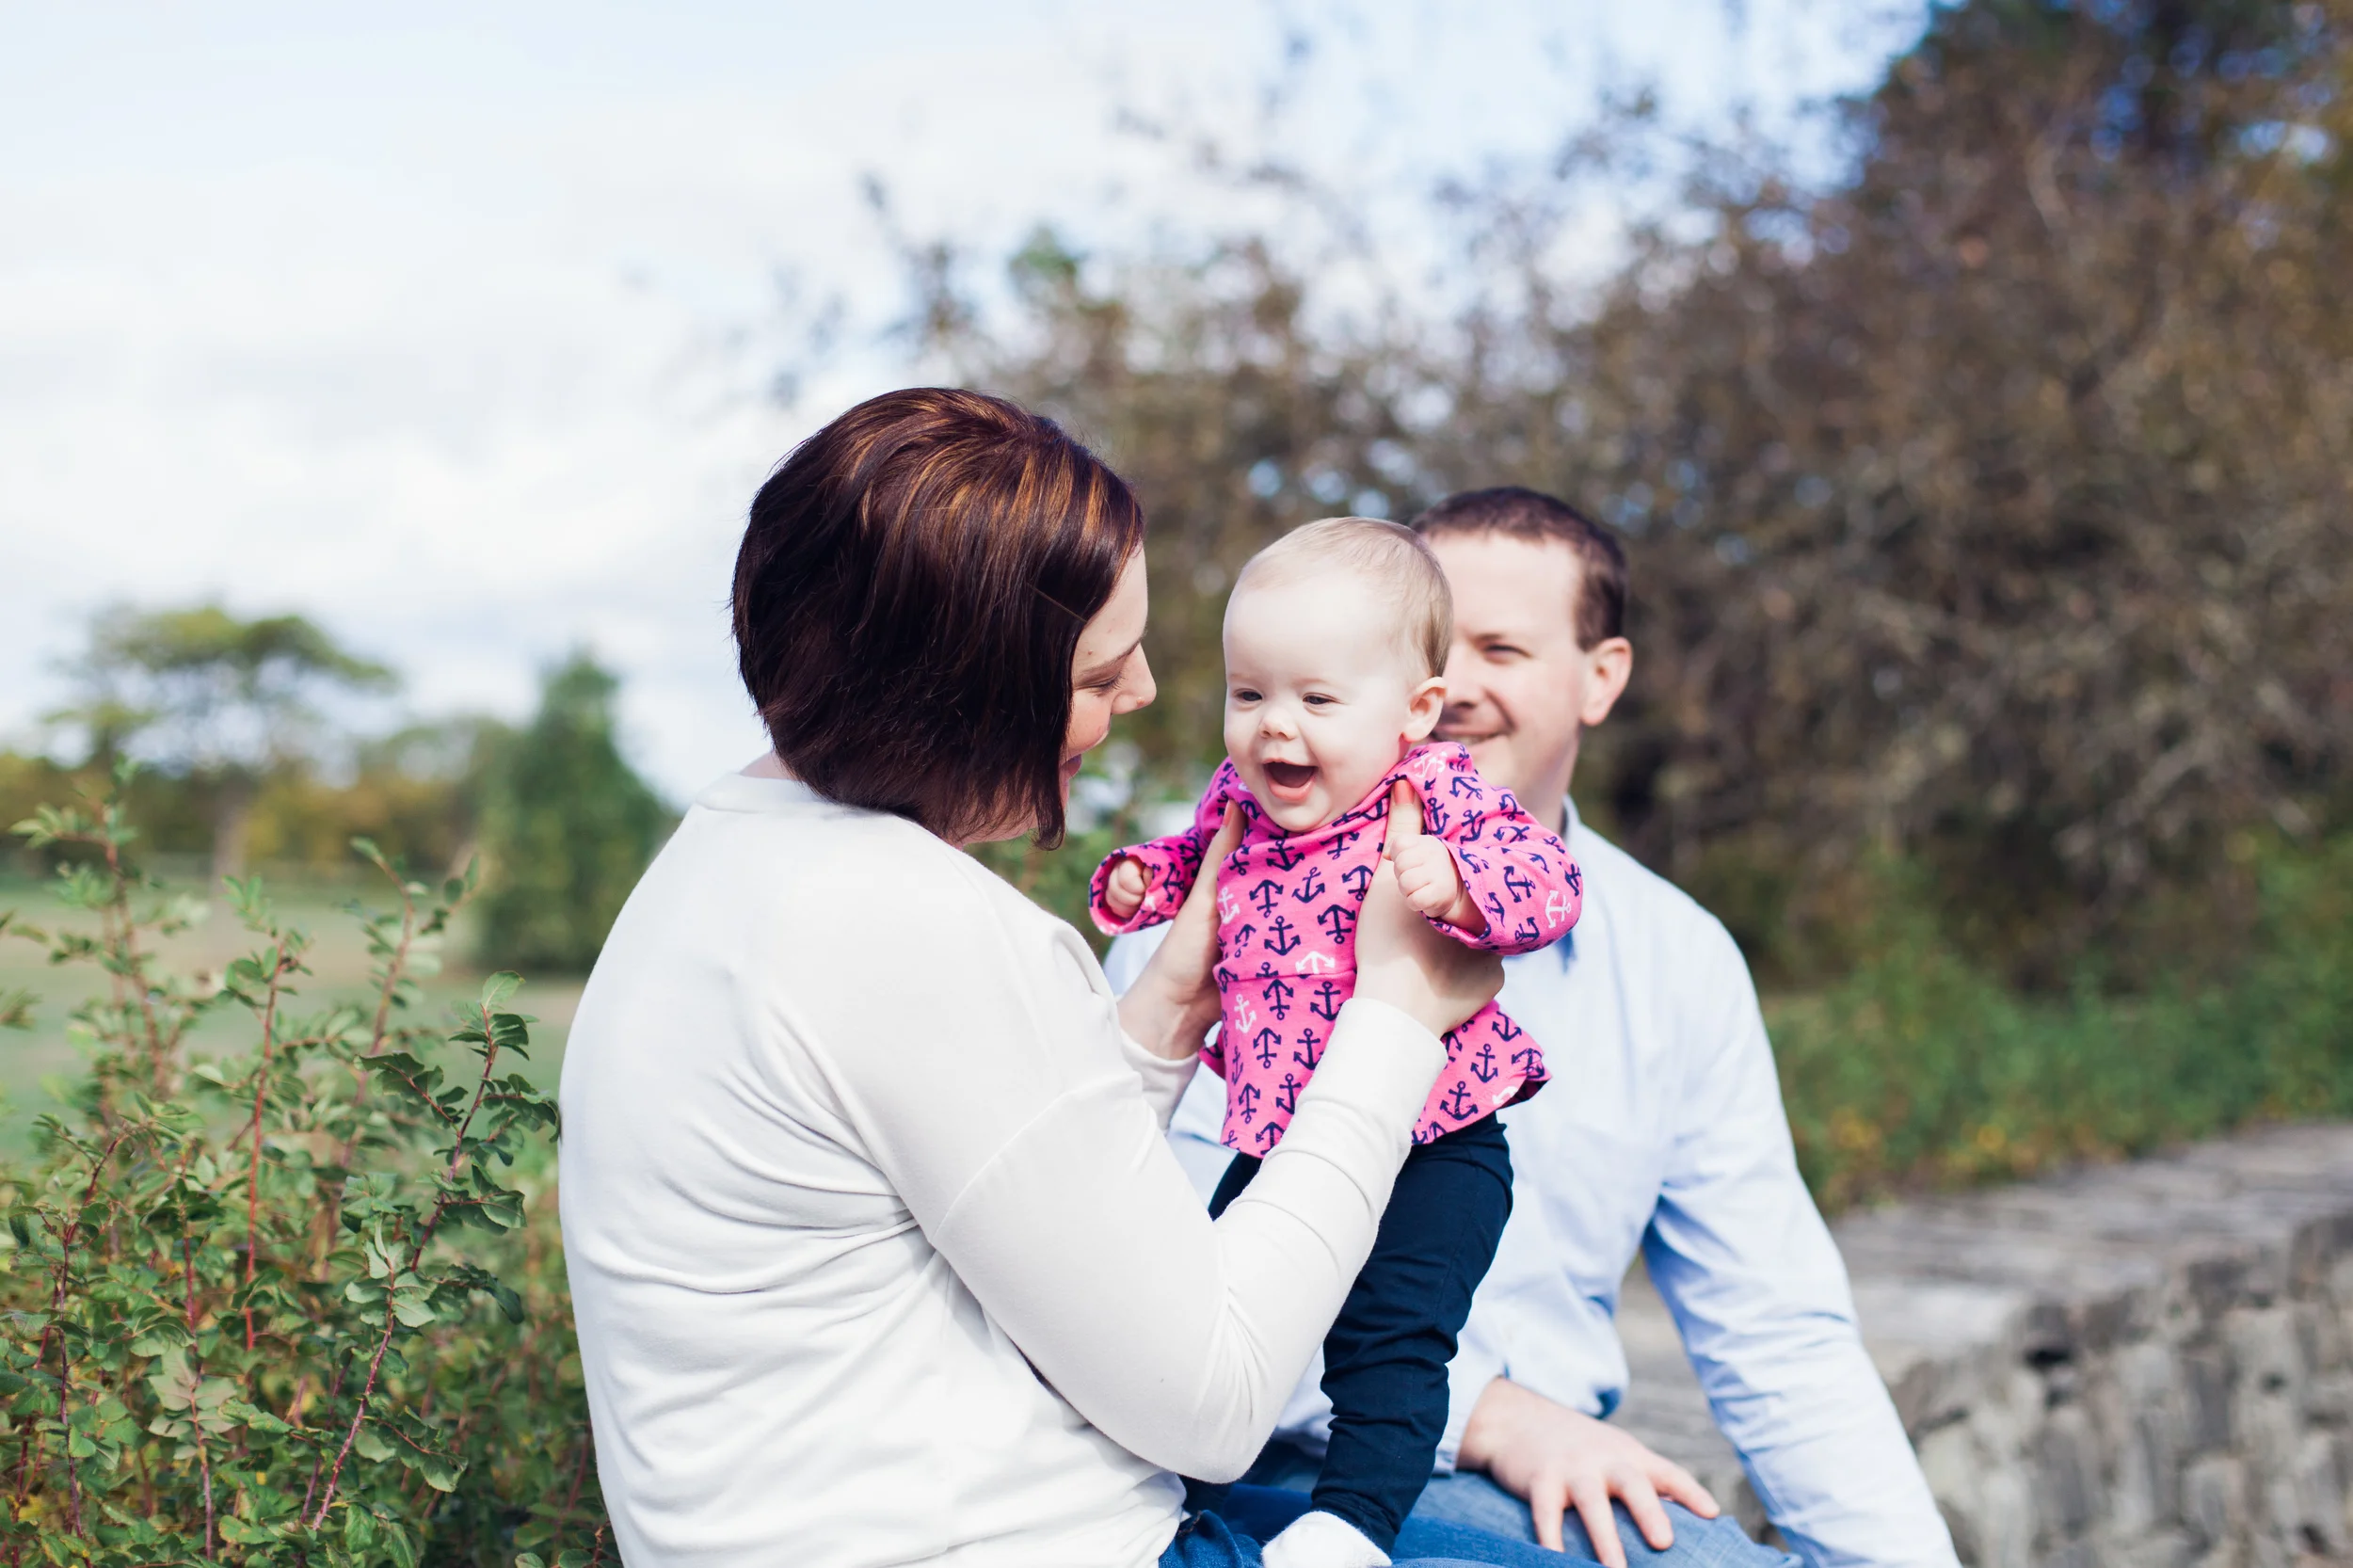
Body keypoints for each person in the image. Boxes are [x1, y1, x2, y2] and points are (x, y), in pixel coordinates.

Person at [557, 392, 1600, 1568]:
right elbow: (1214, 1403)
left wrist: (1163, 1008)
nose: (1147, 691)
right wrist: (1397, 1013)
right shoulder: (910, 927)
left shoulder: (726, 866)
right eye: (1102, 671)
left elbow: (1018, 1193)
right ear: (971, 689)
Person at [1108, 488, 1960, 1568]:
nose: (1453, 685)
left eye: (1497, 647)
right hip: (1261, 1459)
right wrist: (1493, 1415)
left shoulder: (1675, 958)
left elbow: (1772, 1319)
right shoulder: (1228, 889)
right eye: (1428, 639)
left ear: (1599, 677)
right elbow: (1148, 1257)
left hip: (1525, 1492)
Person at [1088, 518, 1581, 1566]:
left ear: (1413, 711)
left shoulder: (1436, 795)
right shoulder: (1241, 805)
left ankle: (1352, 1524)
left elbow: (1548, 883)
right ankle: (1156, 1495)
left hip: (1438, 1143)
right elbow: (1190, 865)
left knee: (1388, 1343)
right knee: (1207, 1301)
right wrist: (1141, 880)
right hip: (1282, 1137)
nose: (1276, 730)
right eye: (1249, 694)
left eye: (1316, 700)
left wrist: (1462, 889)